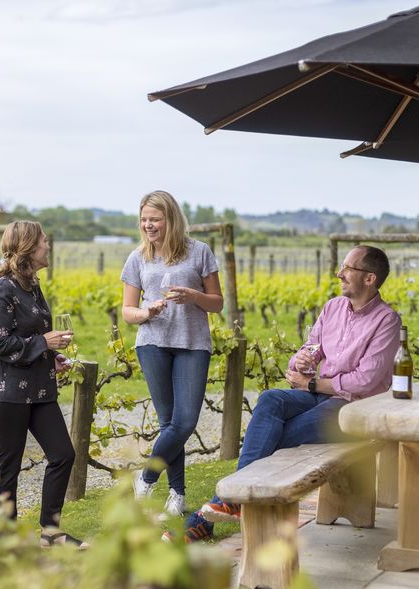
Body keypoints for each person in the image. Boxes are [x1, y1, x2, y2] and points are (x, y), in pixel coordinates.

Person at [179, 244, 401, 542]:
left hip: (355, 411)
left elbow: (366, 380)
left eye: (347, 269)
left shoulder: (387, 321)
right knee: (271, 399)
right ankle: (230, 503)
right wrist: (302, 361)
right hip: (323, 396)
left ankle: (215, 512)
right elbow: (311, 347)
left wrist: (312, 384)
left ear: (369, 278)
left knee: (274, 437)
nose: (340, 274)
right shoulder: (333, 308)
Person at [0, 220, 86, 548]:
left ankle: (50, 531)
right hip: (8, 392)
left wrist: (50, 356)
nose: (48, 246)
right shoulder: (3, 289)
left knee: (63, 454)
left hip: (39, 389)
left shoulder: (32, 285)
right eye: (43, 241)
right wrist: (43, 342)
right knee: (8, 468)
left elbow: (29, 338)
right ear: (29, 247)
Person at [121, 190, 224, 517]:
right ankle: (177, 496)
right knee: (169, 423)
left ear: (172, 219)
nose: (148, 225)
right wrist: (146, 312)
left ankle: (146, 477)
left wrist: (194, 295)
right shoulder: (137, 257)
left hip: (193, 343)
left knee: (184, 422)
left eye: (155, 219)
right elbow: (127, 310)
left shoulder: (200, 252)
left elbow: (218, 303)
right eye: (144, 220)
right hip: (152, 341)